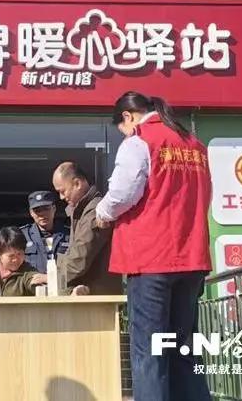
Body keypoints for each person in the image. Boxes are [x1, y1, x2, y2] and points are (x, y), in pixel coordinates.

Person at [95, 91, 212, 401]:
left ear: (127, 117)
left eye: (122, 128)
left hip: (151, 259)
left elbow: (122, 194)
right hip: (191, 257)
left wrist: (102, 213)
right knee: (183, 349)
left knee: (150, 351)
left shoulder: (139, 141)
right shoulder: (195, 145)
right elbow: (206, 196)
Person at [52, 162, 123, 295]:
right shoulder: (82, 211)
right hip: (91, 293)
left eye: (62, 191)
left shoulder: (95, 211)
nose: (61, 197)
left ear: (77, 183)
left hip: (96, 295)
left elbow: (80, 257)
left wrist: (52, 278)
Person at [19, 190, 70, 273]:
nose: (42, 214)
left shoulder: (69, 234)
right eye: (37, 210)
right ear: (31, 213)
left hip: (62, 280)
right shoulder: (22, 235)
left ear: (54, 208)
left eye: (46, 209)